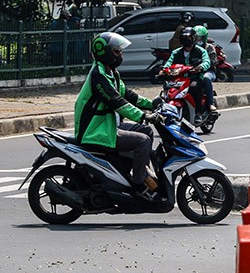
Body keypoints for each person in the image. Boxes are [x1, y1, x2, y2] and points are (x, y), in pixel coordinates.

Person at [74, 32, 161, 200]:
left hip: (108, 124)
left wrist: (152, 104)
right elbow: (117, 101)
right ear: (104, 52)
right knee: (143, 141)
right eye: (117, 51)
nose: (121, 54)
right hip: (95, 129)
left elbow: (128, 95)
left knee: (147, 131)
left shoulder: (111, 73)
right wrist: (143, 116)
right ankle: (138, 185)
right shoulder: (98, 77)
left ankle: (141, 172)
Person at [163, 27, 211, 117]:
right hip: (178, 79)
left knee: (194, 87)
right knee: (167, 88)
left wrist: (200, 67)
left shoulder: (201, 51)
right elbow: (169, 63)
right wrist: (163, 70)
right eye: (183, 38)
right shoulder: (176, 52)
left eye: (188, 38)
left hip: (195, 78)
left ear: (193, 38)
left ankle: (198, 113)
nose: (186, 40)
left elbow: (207, 62)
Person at [193, 24, 218, 112]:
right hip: (193, 71)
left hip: (208, 71)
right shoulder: (190, 48)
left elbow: (213, 61)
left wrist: (201, 64)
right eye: (196, 38)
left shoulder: (209, 48)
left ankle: (210, 103)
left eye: (200, 38)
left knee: (206, 78)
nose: (198, 40)